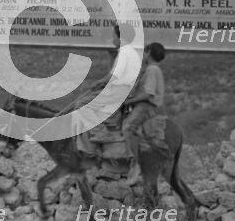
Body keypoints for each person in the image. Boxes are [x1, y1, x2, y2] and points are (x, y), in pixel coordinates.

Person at [72, 23, 141, 156]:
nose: (113, 39)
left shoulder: (125, 53)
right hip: (121, 89)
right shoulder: (130, 52)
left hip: (118, 91)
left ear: (120, 38)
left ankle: (101, 132)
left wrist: (98, 82)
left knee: (80, 104)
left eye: (113, 36)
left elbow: (113, 76)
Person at [122, 42, 168, 186]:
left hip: (146, 107)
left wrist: (128, 101)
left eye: (144, 52)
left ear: (148, 53)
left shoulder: (152, 69)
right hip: (144, 105)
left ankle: (135, 164)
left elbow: (148, 94)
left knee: (127, 127)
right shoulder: (151, 69)